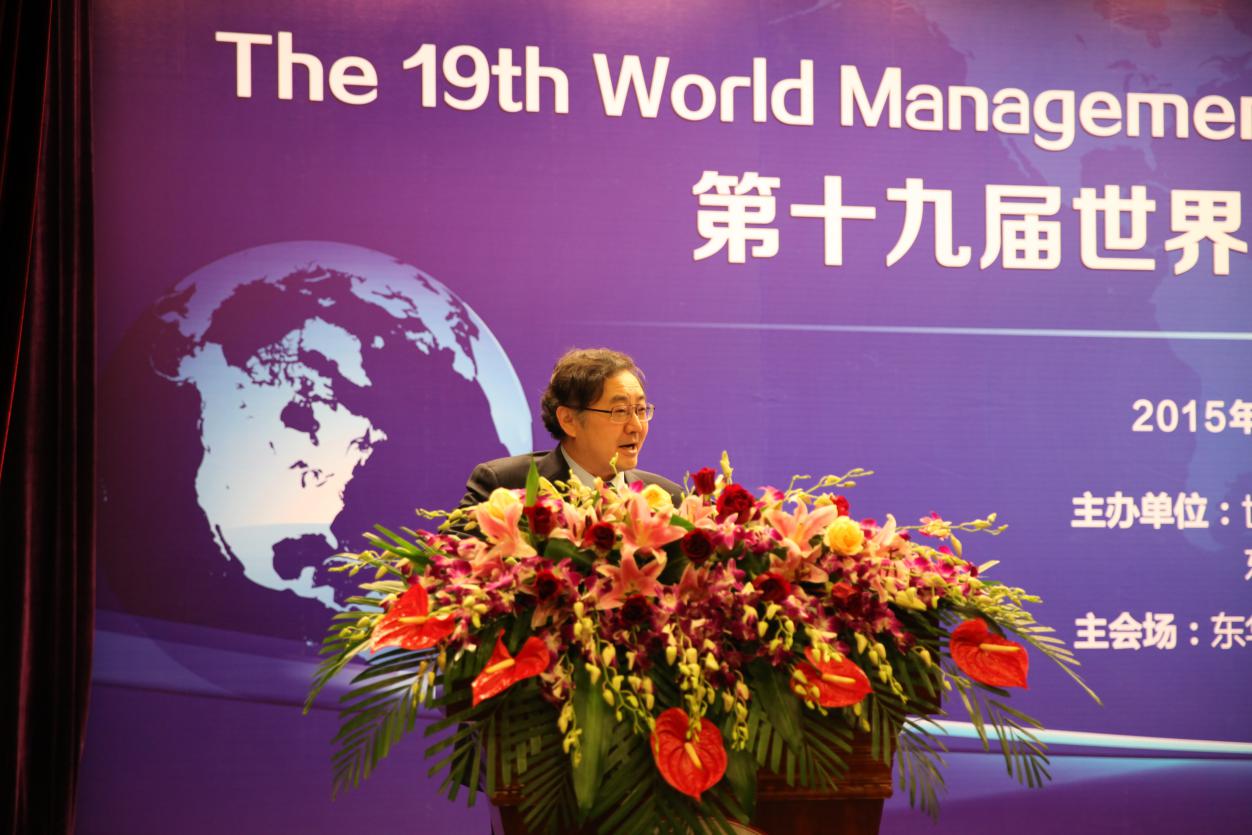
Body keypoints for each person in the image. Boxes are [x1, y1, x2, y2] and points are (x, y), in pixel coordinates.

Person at [457, 348, 681, 510]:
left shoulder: (668, 500)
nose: (636, 426)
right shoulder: (505, 488)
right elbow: (453, 558)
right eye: (620, 411)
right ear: (569, 420)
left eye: (641, 410)